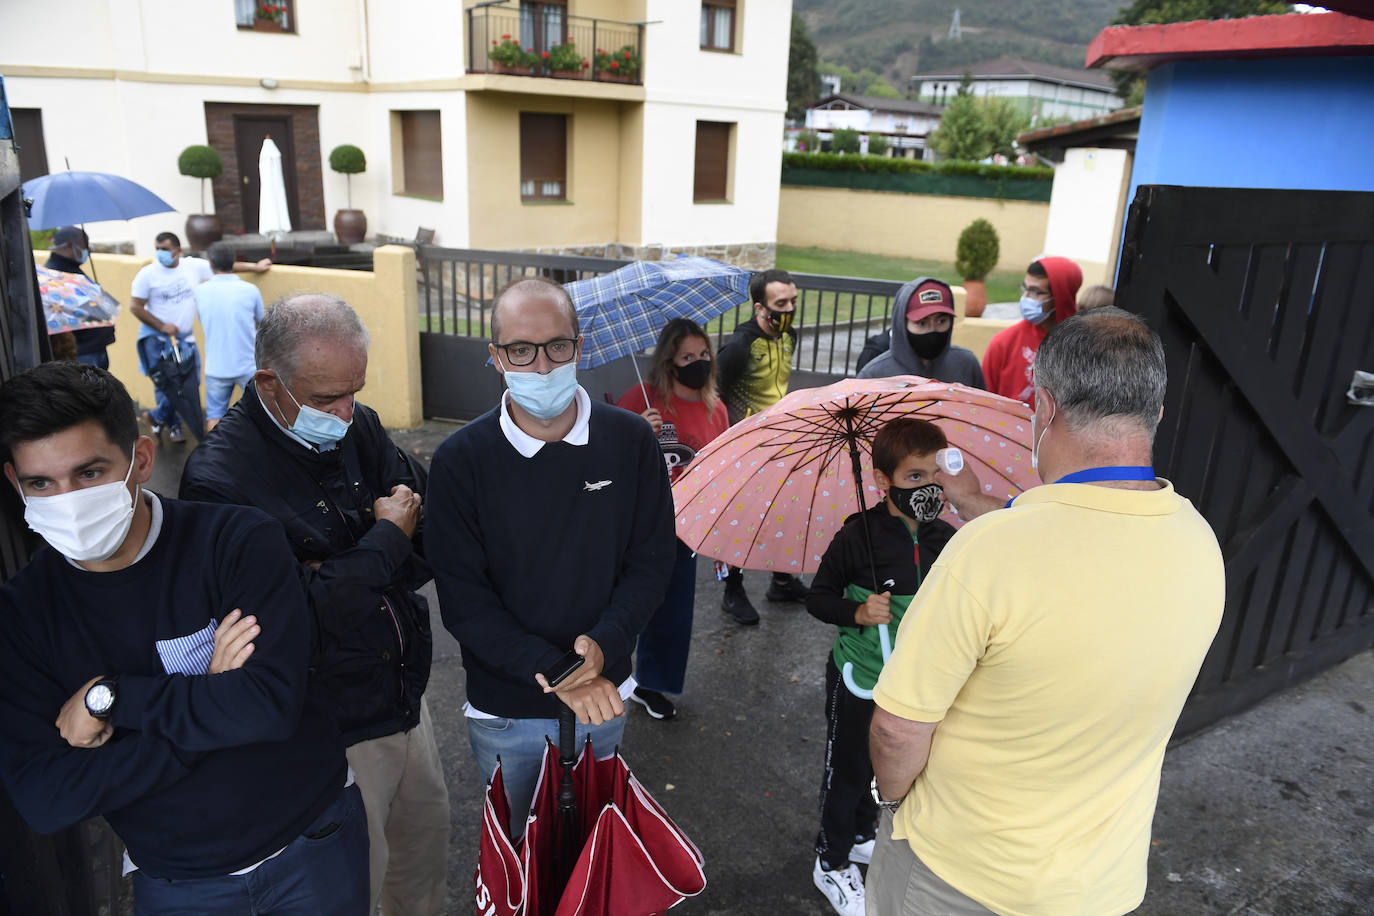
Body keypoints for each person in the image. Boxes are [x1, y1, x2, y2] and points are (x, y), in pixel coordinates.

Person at [867, 307, 1225, 915]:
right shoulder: (1199, 541)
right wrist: (977, 501)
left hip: (960, 874)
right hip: (1099, 886)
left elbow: (898, 729)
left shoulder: (986, 556)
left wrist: (897, 804)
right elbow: (1070, 548)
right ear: (1156, 413)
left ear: (1047, 408)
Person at [0, 361, 367, 914]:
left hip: (312, 845)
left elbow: (267, 707)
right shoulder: (23, 614)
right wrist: (210, 697)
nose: (67, 499)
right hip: (177, 882)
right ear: (15, 484)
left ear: (140, 460)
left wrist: (116, 698)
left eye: (90, 472)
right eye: (40, 484)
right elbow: (49, 797)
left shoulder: (237, 542)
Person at [180, 294, 449, 916]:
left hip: (404, 695)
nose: (346, 410)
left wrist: (344, 568)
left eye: (354, 389)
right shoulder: (218, 478)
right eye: (327, 398)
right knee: (357, 886)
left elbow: (432, 539)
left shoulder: (363, 425)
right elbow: (289, 617)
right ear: (268, 382)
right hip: (329, 727)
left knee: (421, 871)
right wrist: (386, 538)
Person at [425, 277, 675, 834]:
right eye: (521, 349)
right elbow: (464, 600)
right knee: (519, 854)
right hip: (505, 708)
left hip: (604, 701)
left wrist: (603, 647)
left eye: (557, 346)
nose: (541, 366)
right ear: (496, 357)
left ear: (579, 347)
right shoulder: (460, 461)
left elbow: (652, 561)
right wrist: (564, 671)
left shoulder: (632, 441)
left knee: (592, 848)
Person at [805, 417, 957, 916]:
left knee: (888, 767)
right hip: (860, 680)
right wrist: (857, 612)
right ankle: (830, 860)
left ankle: (862, 833)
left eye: (936, 473)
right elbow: (818, 599)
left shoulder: (948, 536)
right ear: (882, 479)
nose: (929, 487)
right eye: (915, 477)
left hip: (914, 683)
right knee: (847, 771)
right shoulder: (858, 539)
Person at [615, 318, 729, 720]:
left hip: (684, 530)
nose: (698, 362)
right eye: (687, 356)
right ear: (669, 361)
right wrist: (633, 430)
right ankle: (601, 672)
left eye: (703, 355)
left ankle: (651, 683)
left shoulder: (716, 409)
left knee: (673, 612)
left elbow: (721, 468)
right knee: (619, 605)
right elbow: (600, 452)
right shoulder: (641, 399)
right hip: (633, 523)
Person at [714, 268, 809, 623]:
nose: (788, 309)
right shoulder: (739, 347)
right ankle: (731, 589)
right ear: (759, 307)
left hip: (782, 442)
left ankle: (782, 582)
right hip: (745, 448)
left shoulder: (790, 337)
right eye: (780, 303)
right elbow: (714, 394)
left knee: (786, 510)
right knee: (743, 519)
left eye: (793, 301)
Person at [129, 232, 268, 442]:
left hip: (191, 345)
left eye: (165, 249)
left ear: (178, 251)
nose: (160, 253)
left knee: (191, 390)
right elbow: (135, 306)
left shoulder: (195, 274)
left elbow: (223, 266)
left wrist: (254, 267)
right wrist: (161, 325)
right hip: (158, 339)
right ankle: (173, 426)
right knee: (167, 385)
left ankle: (161, 419)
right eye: (157, 248)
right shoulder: (147, 275)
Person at [980, 256, 1082, 402]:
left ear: (1060, 297)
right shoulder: (1004, 343)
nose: (1026, 297)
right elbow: (984, 401)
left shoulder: (1083, 347)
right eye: (1025, 288)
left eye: (1036, 291)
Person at [857, 277, 985, 388]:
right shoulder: (874, 374)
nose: (932, 330)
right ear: (902, 324)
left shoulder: (966, 365)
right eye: (921, 323)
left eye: (941, 321)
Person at [194, 241, 266, 431]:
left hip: (216, 367)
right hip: (248, 364)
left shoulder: (200, 292)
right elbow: (263, 323)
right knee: (259, 415)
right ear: (234, 261)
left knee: (215, 417)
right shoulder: (250, 290)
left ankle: (212, 459)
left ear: (210, 263)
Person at [46, 225, 116, 368]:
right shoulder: (55, 275)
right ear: (71, 245)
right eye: (85, 245)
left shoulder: (71, 269)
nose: (88, 250)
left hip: (92, 350)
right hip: (82, 353)